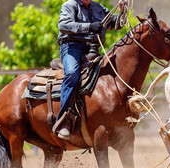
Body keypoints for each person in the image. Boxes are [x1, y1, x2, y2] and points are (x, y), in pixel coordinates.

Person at [53, 0, 127, 140]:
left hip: (92, 49)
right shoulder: (70, 5)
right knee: (72, 73)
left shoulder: (97, 7)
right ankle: (64, 120)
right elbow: (63, 25)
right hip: (71, 47)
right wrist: (89, 27)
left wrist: (123, 10)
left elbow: (115, 23)